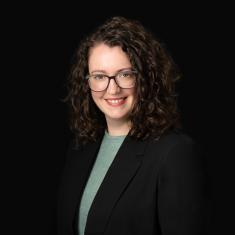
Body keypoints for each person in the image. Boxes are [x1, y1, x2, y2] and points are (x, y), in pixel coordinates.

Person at [57, 16, 209, 235]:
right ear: (87, 82)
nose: (112, 89)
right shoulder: (81, 147)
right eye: (100, 76)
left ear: (146, 78)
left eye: (125, 74)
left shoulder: (176, 154)